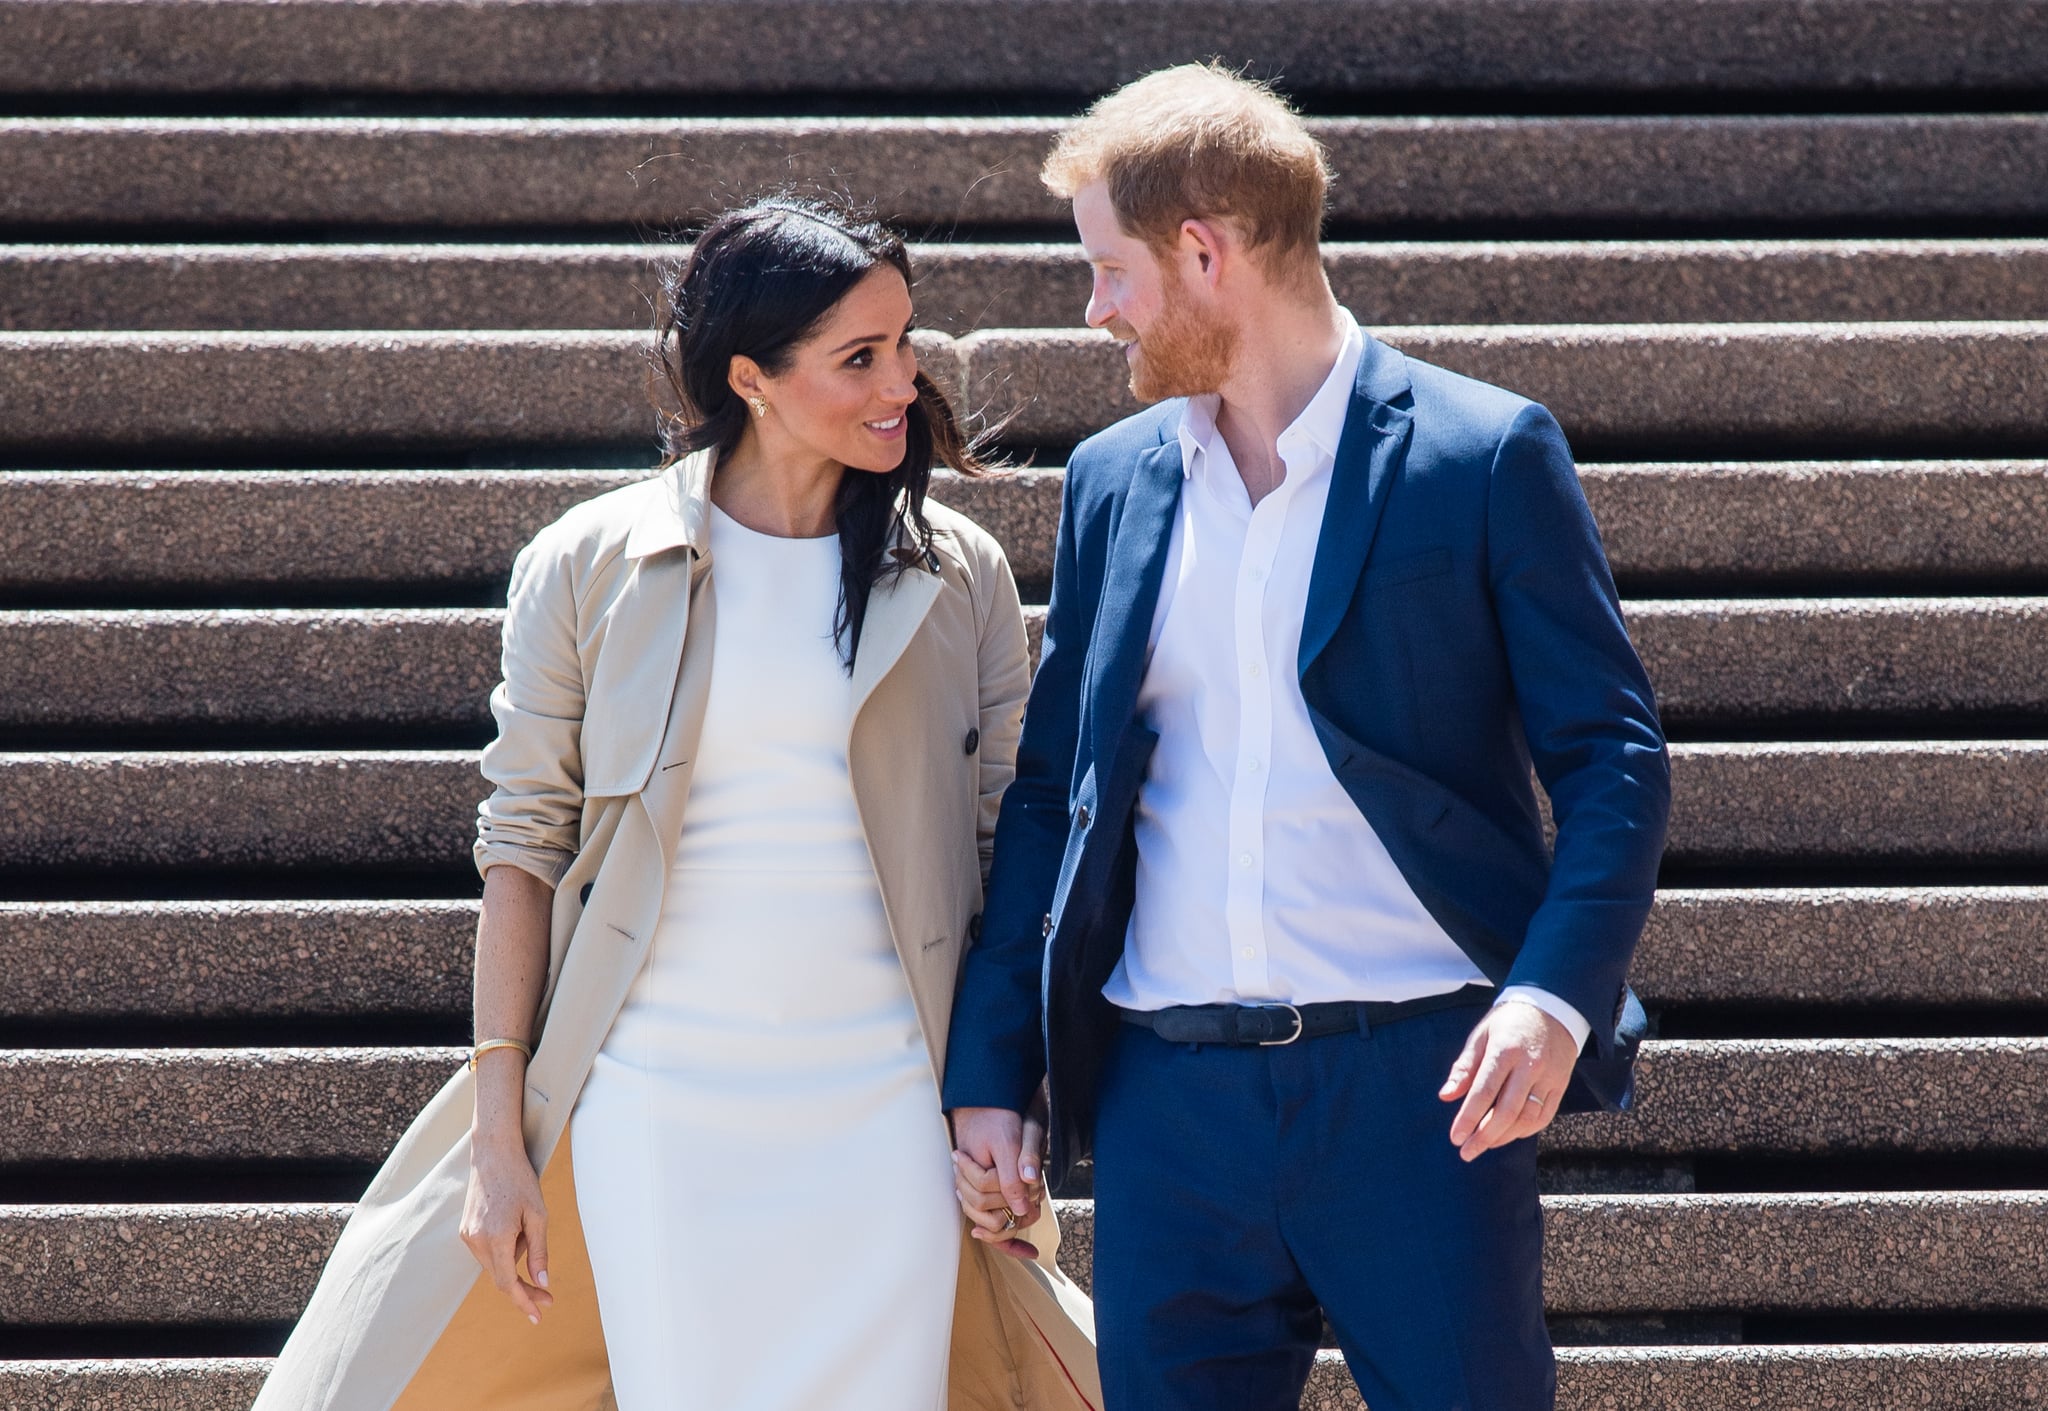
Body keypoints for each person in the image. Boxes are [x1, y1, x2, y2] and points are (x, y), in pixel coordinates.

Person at [252, 197, 1099, 1411]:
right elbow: (522, 849)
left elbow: (1008, 842)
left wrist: (996, 1091)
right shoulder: (589, 560)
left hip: (885, 1101)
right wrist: (499, 1134)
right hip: (659, 1094)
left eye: (905, 344)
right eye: (858, 357)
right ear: (750, 377)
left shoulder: (953, 569)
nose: (900, 384)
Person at [945, 65, 1670, 1411]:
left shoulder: (1481, 453)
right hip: (1169, 1103)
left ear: (1205, 251)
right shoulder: (1116, 482)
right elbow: (1053, 792)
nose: (1095, 307)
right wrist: (996, 1067)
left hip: (1419, 1087)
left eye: (1111, 270)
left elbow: (1612, 754)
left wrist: (1553, 994)